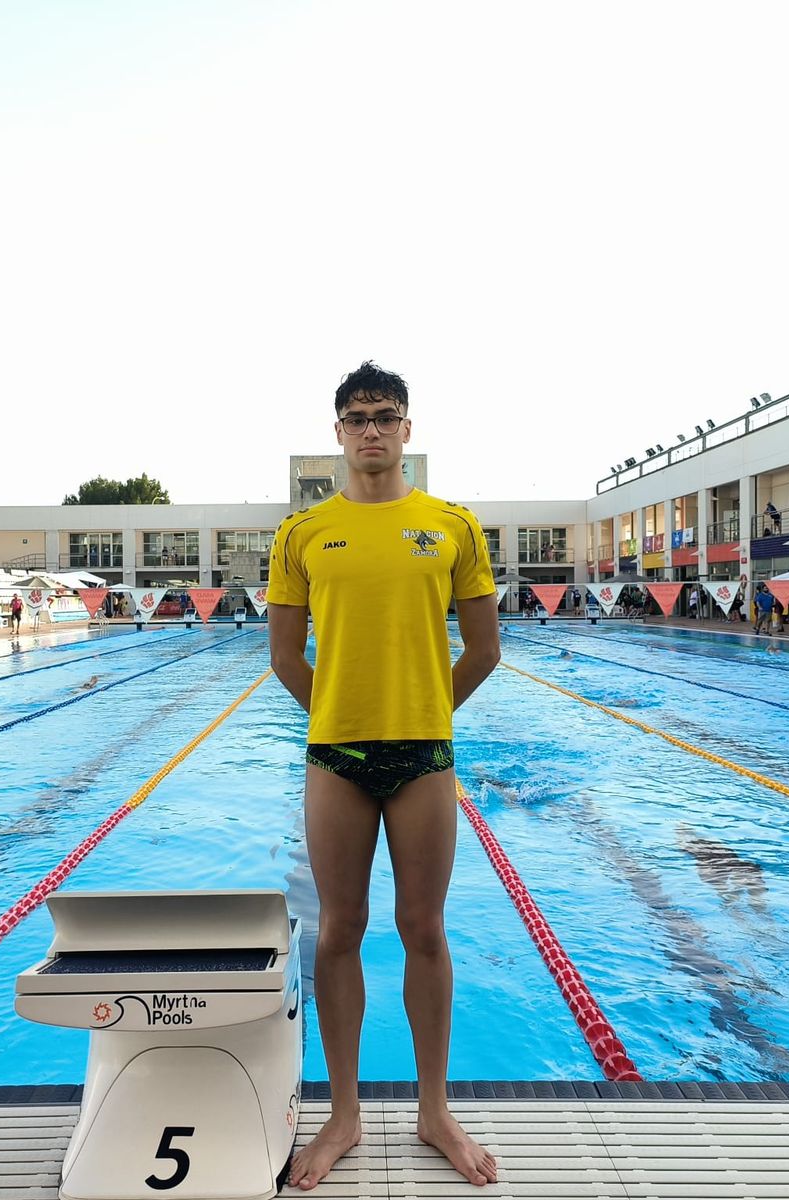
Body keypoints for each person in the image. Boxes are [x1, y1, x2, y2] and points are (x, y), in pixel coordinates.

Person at [268, 362, 500, 1190]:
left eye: (386, 416)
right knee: (335, 931)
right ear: (337, 433)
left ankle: (434, 1111)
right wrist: (340, 714)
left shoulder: (452, 526)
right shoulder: (302, 535)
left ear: (409, 429)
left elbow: (484, 650)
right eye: (357, 417)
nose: (372, 429)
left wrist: (425, 711)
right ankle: (345, 1114)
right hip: (335, 757)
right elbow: (286, 658)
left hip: (424, 757)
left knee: (424, 931)